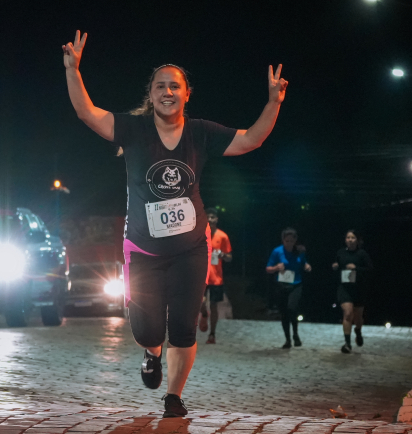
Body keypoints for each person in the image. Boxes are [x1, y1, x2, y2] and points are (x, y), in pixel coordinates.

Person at [62, 30, 288, 417]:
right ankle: (151, 354)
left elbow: (252, 139)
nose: (168, 92)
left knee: (184, 327)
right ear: (151, 95)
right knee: (146, 330)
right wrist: (73, 70)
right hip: (142, 249)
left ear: (186, 94)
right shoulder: (133, 130)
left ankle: (173, 397)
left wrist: (273, 102)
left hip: (191, 249)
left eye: (175, 86)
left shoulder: (201, 132)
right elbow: (88, 112)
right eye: (160, 86)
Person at [266, 228, 311, 349]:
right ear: (283, 240)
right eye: (287, 241)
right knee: (284, 313)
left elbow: (304, 263)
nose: (289, 243)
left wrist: (307, 266)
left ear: (295, 241)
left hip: (296, 284)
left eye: (291, 241)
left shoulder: (300, 251)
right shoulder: (277, 251)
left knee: (292, 308)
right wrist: (276, 268)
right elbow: (268, 268)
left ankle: (295, 334)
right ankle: (287, 340)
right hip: (281, 285)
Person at [332, 230, 373, 354]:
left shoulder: (362, 254)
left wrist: (356, 268)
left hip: (359, 288)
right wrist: (335, 266)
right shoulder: (340, 252)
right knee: (348, 313)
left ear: (357, 240)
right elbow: (337, 265)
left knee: (358, 317)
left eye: (353, 237)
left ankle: (358, 331)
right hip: (344, 288)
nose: (350, 240)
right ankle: (347, 343)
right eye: (348, 237)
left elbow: (370, 269)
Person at [199, 208, 232, 344]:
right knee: (199, 302)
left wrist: (223, 255)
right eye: (207, 217)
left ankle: (212, 334)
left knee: (214, 306)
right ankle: (203, 313)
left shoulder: (223, 236)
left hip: (216, 278)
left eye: (212, 217)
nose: (210, 219)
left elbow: (229, 257)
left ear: (216, 219)